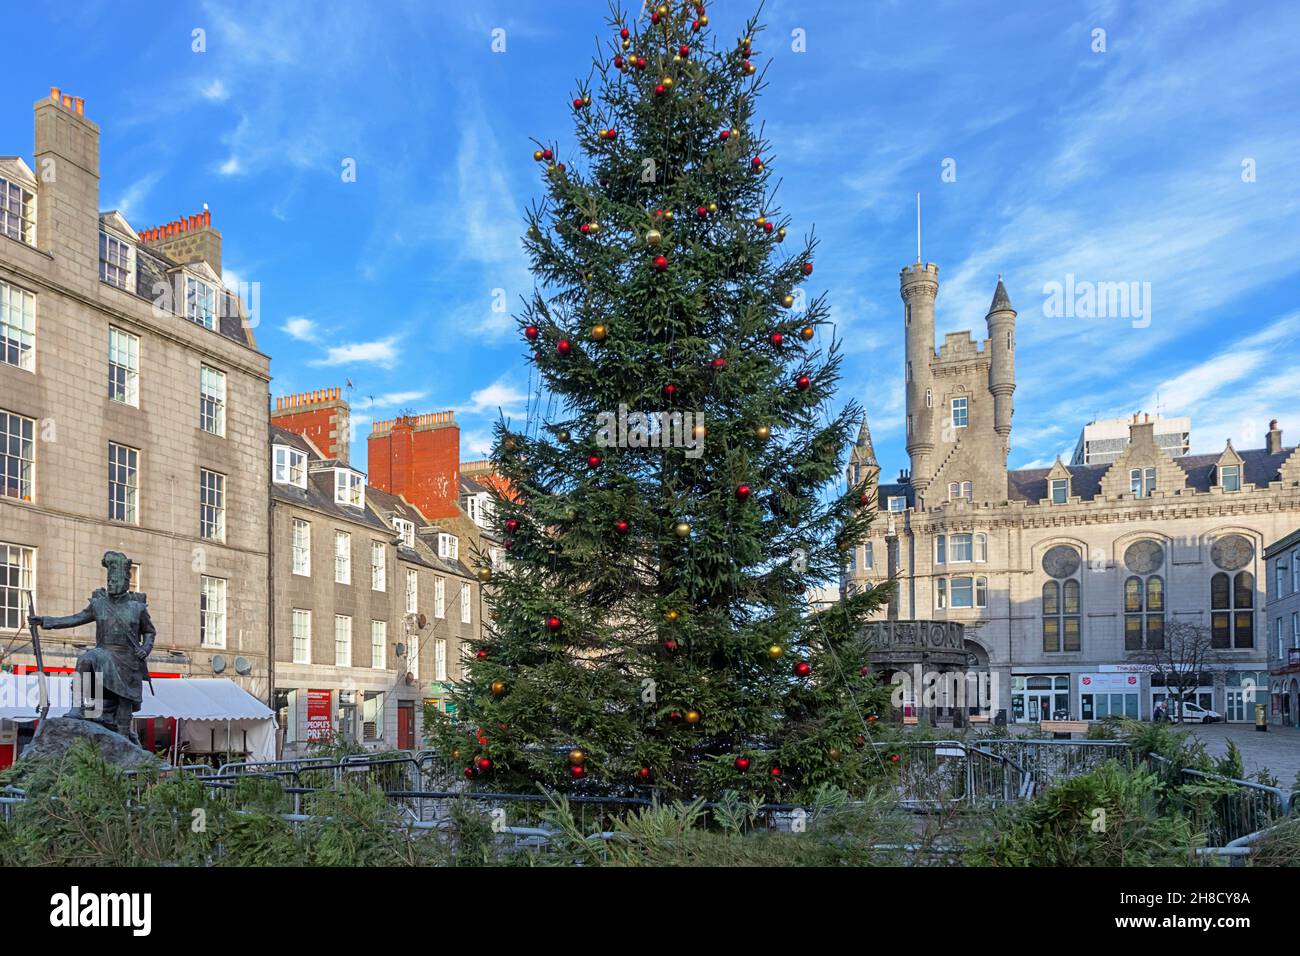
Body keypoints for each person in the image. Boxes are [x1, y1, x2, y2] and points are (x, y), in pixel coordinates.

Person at [29, 550, 155, 743]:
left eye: (114, 581)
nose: (110, 584)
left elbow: (149, 631)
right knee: (86, 658)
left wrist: (145, 648)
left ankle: (122, 739)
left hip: (128, 660)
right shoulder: (99, 604)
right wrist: (46, 620)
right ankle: (77, 707)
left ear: (125, 583)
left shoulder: (137, 608)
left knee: (124, 702)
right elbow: (75, 619)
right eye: (109, 581)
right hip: (104, 653)